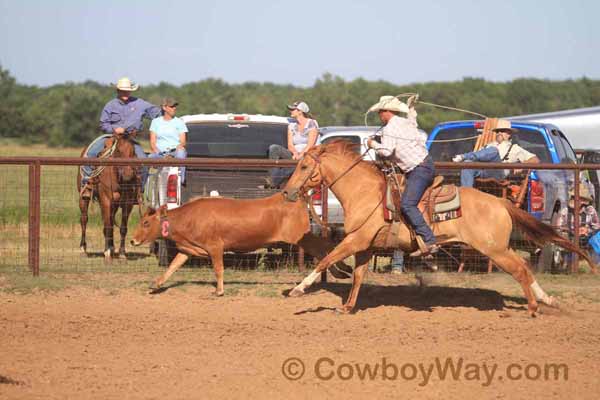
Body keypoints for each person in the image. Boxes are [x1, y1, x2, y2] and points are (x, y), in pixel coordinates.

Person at [366, 95, 439, 256]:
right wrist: (411, 108)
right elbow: (413, 122)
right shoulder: (404, 122)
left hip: (418, 169)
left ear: (387, 112)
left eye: (380, 112)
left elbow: (386, 151)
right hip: (423, 166)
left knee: (407, 204)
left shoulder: (390, 128)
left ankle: (429, 240)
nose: (379, 115)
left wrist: (372, 144)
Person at [80, 77, 161, 198]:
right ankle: (88, 185)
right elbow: (103, 123)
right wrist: (114, 129)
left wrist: (167, 111)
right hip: (112, 137)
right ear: (118, 91)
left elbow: (158, 113)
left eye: (127, 90)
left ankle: (139, 191)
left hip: (130, 139)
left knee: (144, 161)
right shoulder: (110, 105)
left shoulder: (140, 104)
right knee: (90, 154)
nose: (125, 93)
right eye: (123, 90)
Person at [452, 119, 540, 187]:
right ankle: (467, 195)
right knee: (467, 164)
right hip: (482, 170)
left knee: (493, 150)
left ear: (509, 134)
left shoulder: (515, 148)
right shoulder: (487, 145)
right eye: (497, 131)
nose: (499, 133)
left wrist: (522, 165)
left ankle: (464, 156)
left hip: (498, 173)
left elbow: (535, 159)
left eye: (502, 131)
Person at [267, 101, 319, 188]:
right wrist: (295, 153)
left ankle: (274, 181)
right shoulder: (291, 125)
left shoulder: (312, 123)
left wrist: (301, 154)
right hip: (294, 154)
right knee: (274, 148)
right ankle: (274, 177)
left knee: (298, 164)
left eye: (293, 109)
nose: (290, 111)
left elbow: (310, 145)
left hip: (308, 155)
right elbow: (290, 145)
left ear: (300, 111)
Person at [148, 98, 188, 185]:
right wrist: (159, 153)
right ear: (164, 107)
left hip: (175, 152)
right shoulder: (155, 122)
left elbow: (183, 142)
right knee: (147, 159)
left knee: (181, 153)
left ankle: (181, 181)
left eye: (175, 106)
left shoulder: (179, 122)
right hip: (160, 153)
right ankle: (142, 185)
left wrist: (178, 147)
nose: (174, 108)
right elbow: (153, 143)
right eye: (172, 106)